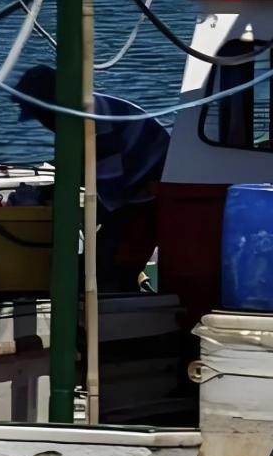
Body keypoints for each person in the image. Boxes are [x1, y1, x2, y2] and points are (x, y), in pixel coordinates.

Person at [12, 64, 170, 291]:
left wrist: (58, 204)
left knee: (107, 270)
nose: (43, 123)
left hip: (148, 193)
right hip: (135, 186)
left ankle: (120, 299)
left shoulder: (93, 125)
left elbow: (112, 200)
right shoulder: (83, 113)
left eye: (40, 115)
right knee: (99, 263)